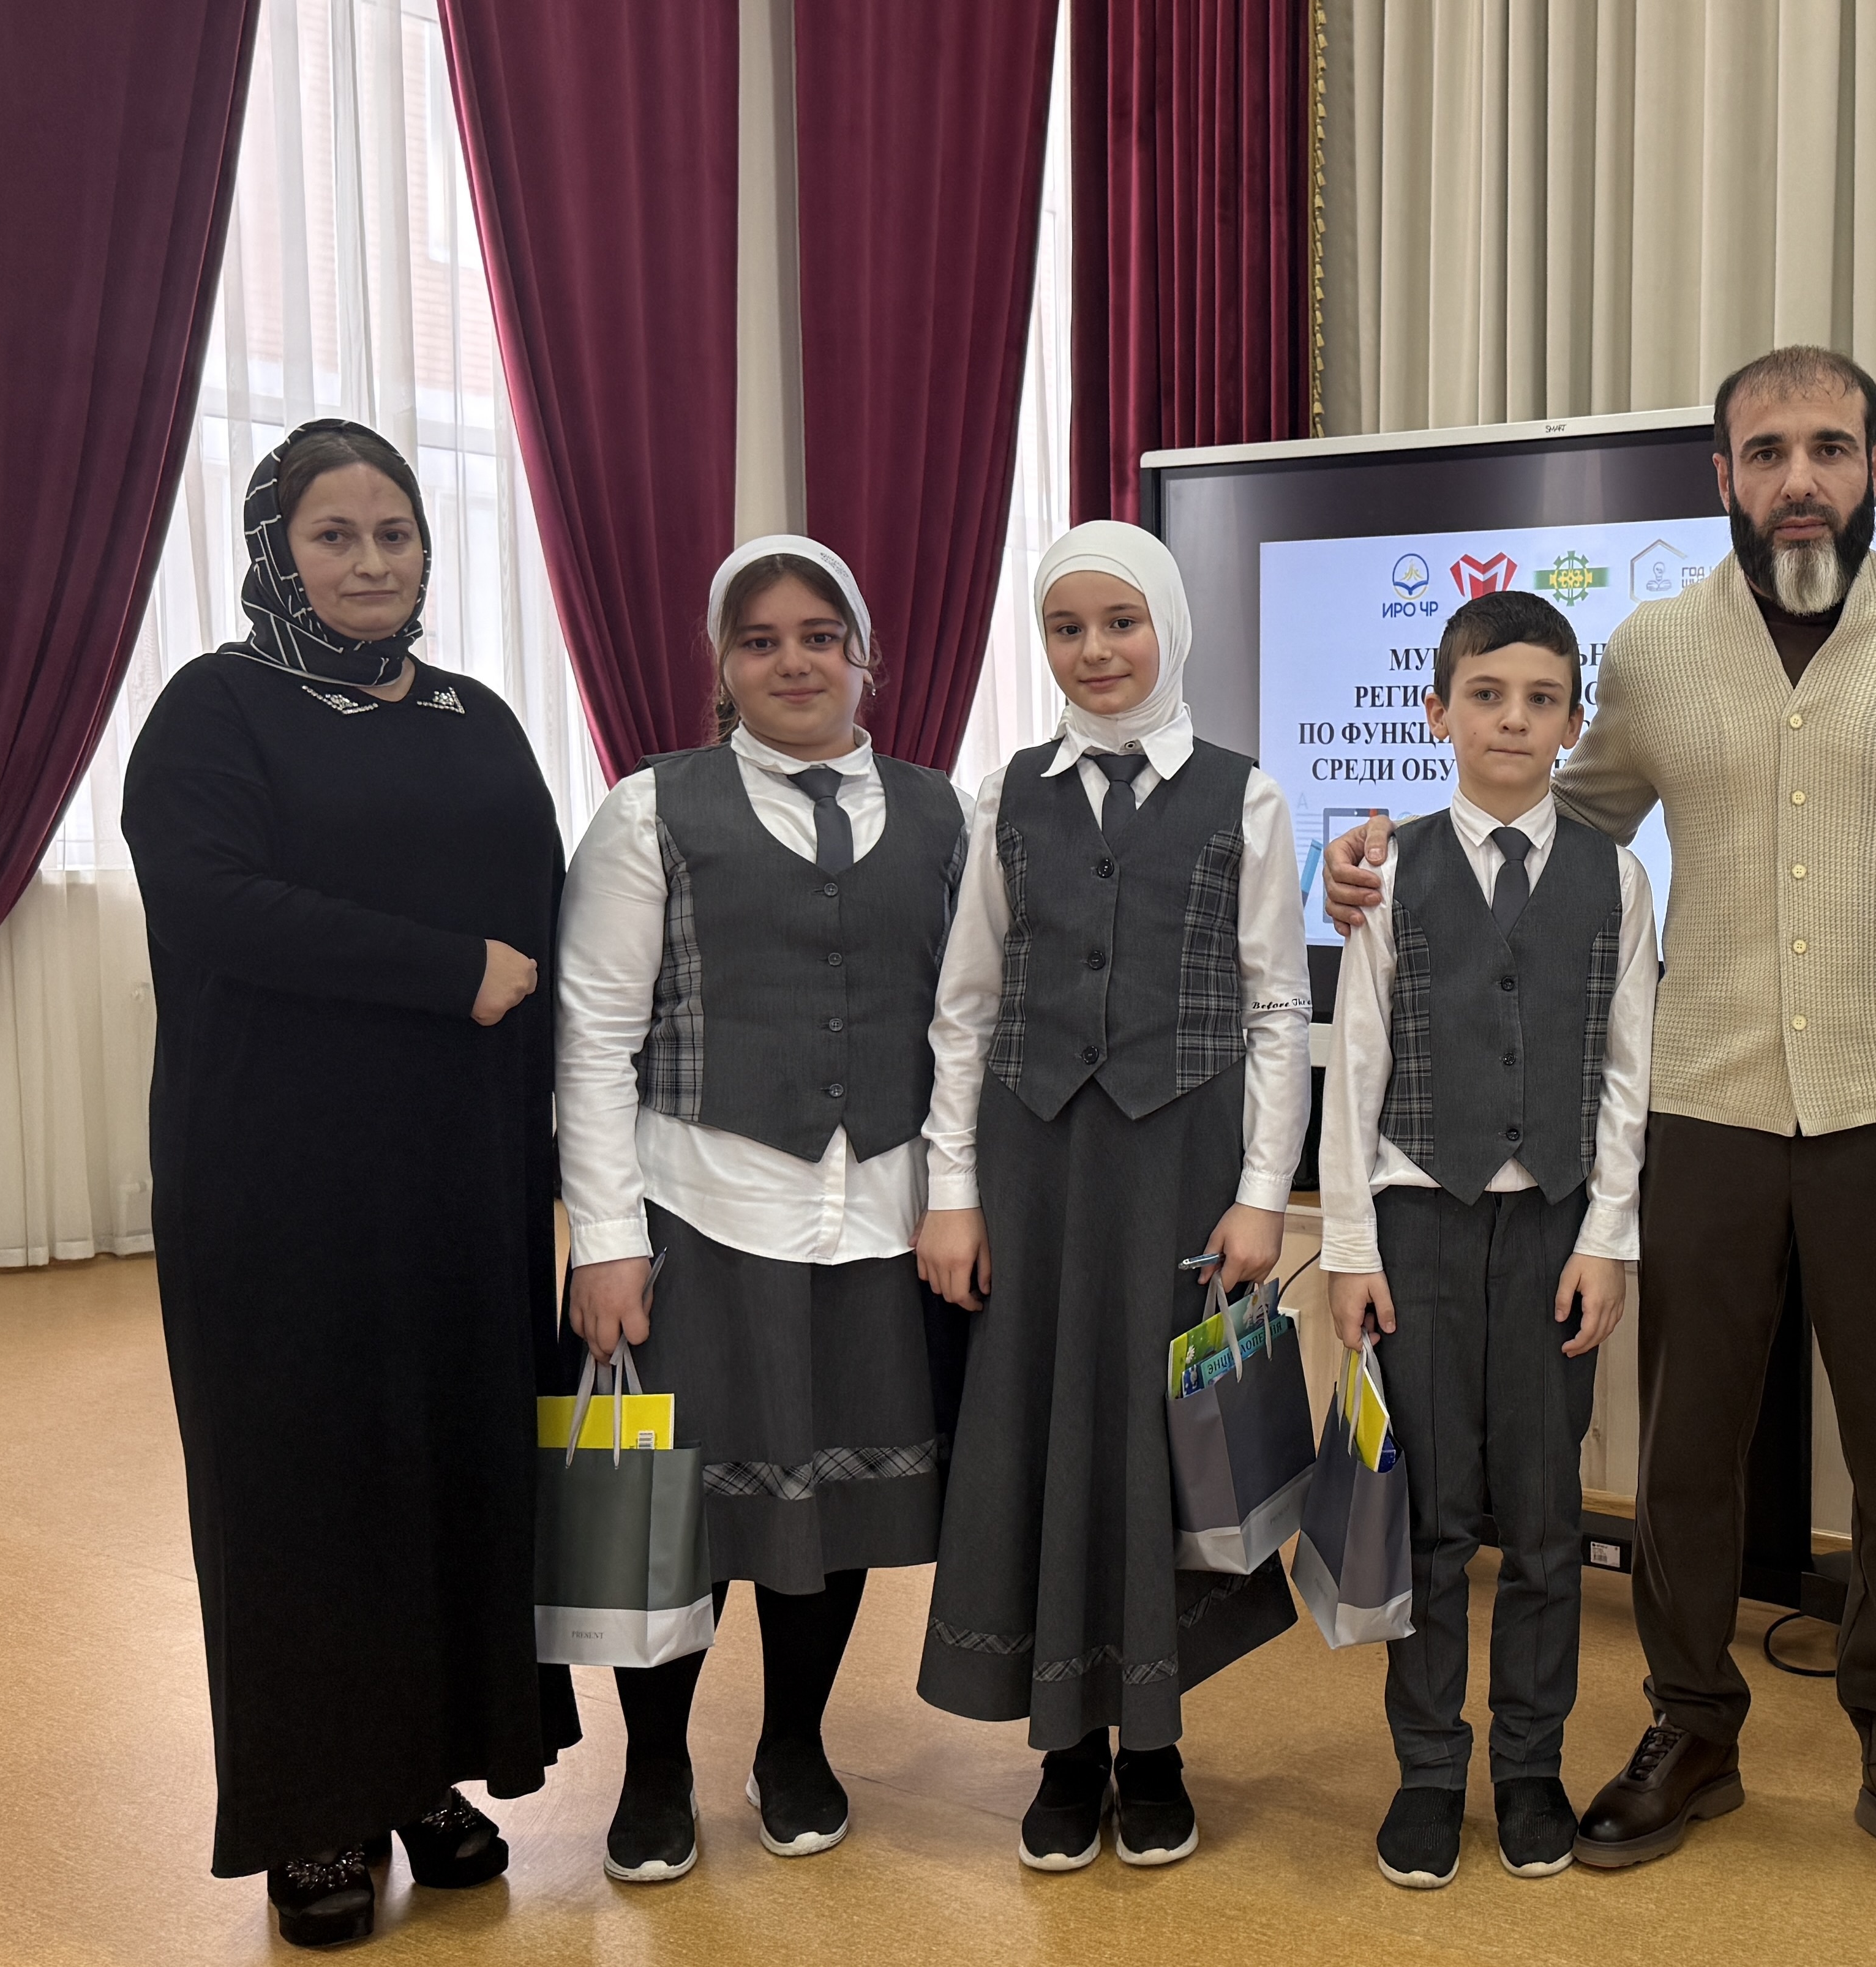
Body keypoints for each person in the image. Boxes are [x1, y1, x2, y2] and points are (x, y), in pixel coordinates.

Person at [1327, 345, 1876, 1906]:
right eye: (1767, 451)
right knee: (1687, 1452)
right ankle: (1693, 1723)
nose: (1800, 478)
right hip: (1702, 1101)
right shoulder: (1652, 648)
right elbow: (1556, 824)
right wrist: (1380, 858)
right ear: (1721, 475)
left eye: (1831, 448)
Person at [123, 419, 574, 1947]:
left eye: (395, 532)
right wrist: (446, 971)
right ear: (277, 548)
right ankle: (313, 1807)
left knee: (454, 1469)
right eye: (335, 533)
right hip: (280, 1181)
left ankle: (426, 1770)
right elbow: (213, 903)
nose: (372, 561)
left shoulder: (473, 713)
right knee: (304, 1484)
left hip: (461, 1178)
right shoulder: (217, 706)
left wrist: (565, 1159)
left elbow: (548, 930)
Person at [553, 536, 970, 1882]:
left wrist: (955, 1195)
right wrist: (606, 1237)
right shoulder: (648, 811)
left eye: (819, 636)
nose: (794, 662)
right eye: (760, 640)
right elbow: (594, 1035)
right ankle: (655, 1764)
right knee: (674, 1514)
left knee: (835, 1505)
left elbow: (963, 1028)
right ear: (722, 665)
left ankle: (795, 1740)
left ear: (865, 657)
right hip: (701, 1210)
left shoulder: (944, 815)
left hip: (878, 1215)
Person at [912, 520, 1310, 1870]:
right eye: (1067, 627)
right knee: (1045, 1432)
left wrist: (1264, 1195)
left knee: (1158, 1438)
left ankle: (1154, 1749)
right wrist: (952, 1191)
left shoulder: (1247, 798)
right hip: (1031, 1171)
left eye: (1120, 622)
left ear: (1169, 629)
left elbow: (1276, 1008)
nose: (1095, 650)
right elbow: (965, 1007)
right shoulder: (1005, 795)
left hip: (1181, 1169)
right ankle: (1065, 1750)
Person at [1317, 588, 1659, 1889]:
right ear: (1438, 712)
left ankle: (1529, 1764)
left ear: (1573, 723)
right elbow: (1356, 1066)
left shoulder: (1617, 875)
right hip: (1416, 1222)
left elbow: (1625, 1073)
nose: (1514, 720)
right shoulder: (1385, 869)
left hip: (1556, 1230)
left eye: (1541, 700)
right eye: (1487, 695)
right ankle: (1426, 1769)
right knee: (1432, 1519)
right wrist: (1351, 1246)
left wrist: (1609, 1235)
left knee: (1546, 1519)